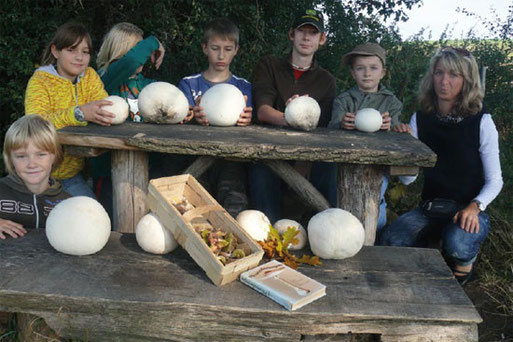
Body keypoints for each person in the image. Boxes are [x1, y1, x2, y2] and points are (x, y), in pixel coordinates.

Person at [380, 47, 503, 286]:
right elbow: (409, 180)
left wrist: (475, 207)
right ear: (431, 76)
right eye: (439, 73)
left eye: (453, 75)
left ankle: (464, 266)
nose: (444, 82)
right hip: (431, 207)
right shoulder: (421, 118)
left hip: (469, 208)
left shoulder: (481, 121)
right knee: (392, 239)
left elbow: (495, 180)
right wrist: (406, 150)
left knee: (458, 244)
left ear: (466, 81)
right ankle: (432, 249)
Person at [250, 9, 337, 223]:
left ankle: (329, 228)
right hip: (268, 151)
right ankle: (267, 241)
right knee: (261, 174)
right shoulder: (269, 65)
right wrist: (289, 117)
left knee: (331, 171)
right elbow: (262, 110)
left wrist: (302, 165)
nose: (306, 37)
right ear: (292, 34)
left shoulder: (326, 80)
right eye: (301, 31)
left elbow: (323, 128)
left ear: (322, 39)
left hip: (307, 156)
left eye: (313, 33)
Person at [24, 22, 115, 198]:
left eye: (85, 52)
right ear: (55, 51)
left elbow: (105, 107)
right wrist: (78, 113)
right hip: (36, 176)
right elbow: (35, 125)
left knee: (94, 215)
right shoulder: (40, 81)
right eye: (71, 50)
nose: (79, 57)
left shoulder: (89, 77)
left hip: (71, 176)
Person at [178, 18, 252, 217]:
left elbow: (248, 123)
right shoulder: (188, 84)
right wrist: (193, 116)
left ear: (236, 49)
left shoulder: (243, 87)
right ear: (204, 48)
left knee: (234, 207)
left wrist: (247, 120)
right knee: (194, 211)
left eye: (228, 49)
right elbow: (178, 120)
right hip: (194, 159)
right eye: (215, 48)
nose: (221, 55)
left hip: (230, 160)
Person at [328, 42, 403, 231]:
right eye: (360, 68)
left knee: (375, 211)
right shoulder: (343, 101)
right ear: (353, 73)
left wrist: (392, 127)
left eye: (373, 68)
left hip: (378, 167)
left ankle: (373, 235)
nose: (367, 73)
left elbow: (397, 136)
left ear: (383, 72)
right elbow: (330, 130)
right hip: (345, 165)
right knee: (343, 206)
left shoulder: (392, 102)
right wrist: (341, 124)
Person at [0, 115, 70, 240]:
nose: (32, 164)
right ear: (10, 159)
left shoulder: (67, 203)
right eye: (21, 156)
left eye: (41, 154)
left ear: (54, 156)